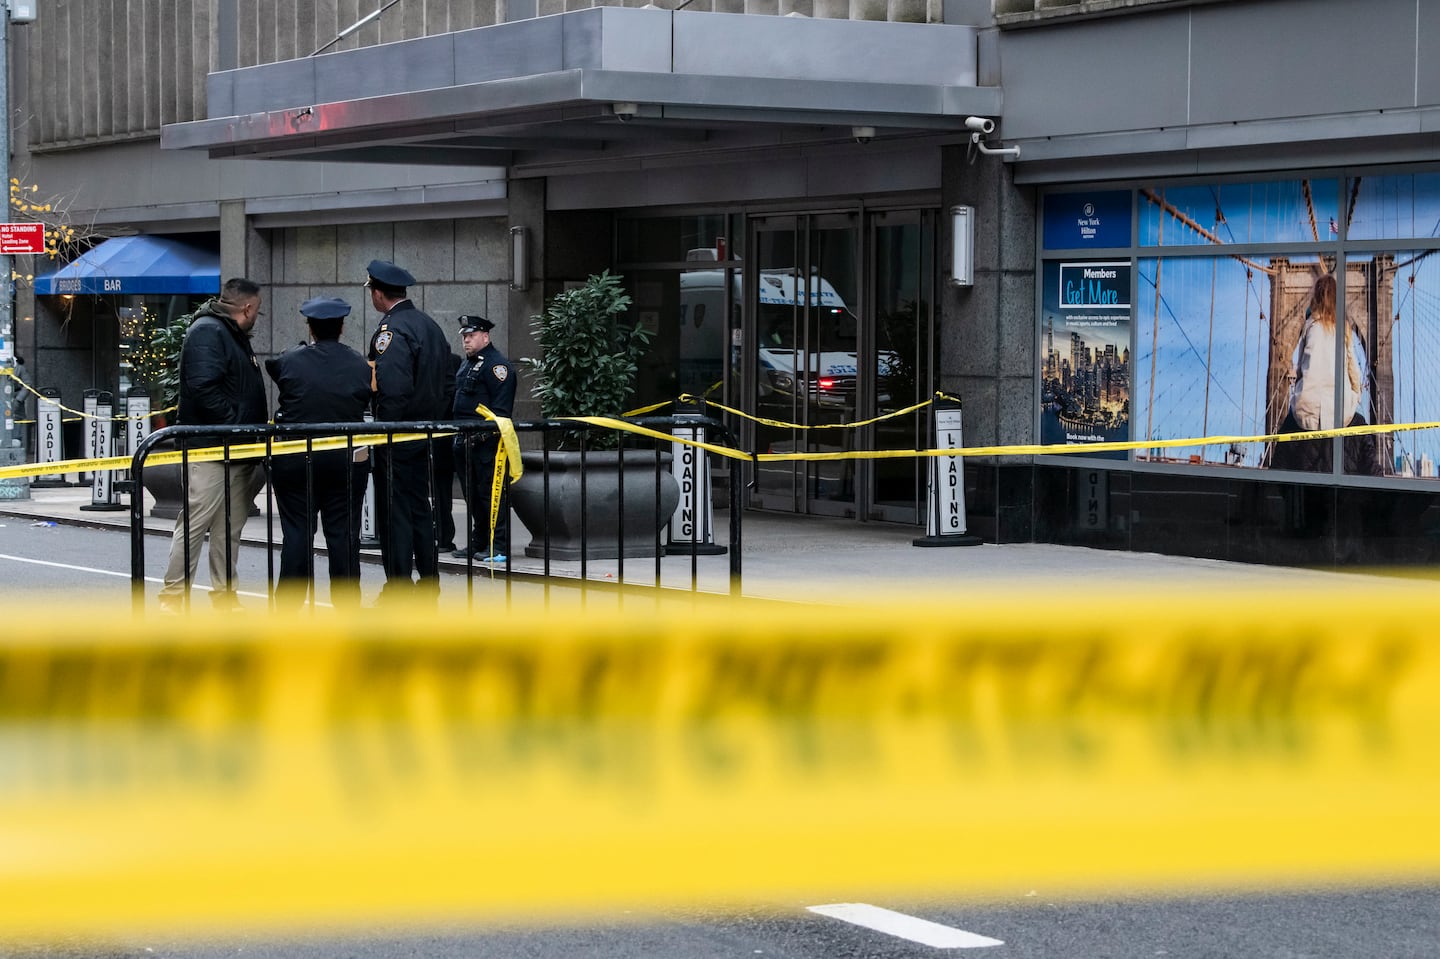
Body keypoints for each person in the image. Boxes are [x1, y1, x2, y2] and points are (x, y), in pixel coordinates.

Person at [157, 278, 268, 612]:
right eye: (257, 311)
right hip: (213, 447)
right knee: (196, 523)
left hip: (232, 448)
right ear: (247, 308)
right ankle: (173, 598)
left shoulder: (227, 334)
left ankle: (224, 596)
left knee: (227, 530)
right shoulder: (210, 331)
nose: (257, 318)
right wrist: (236, 425)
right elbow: (204, 388)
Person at [264, 297, 373, 607]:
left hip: (297, 459)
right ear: (342, 326)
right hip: (344, 462)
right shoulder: (359, 365)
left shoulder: (290, 361)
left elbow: (276, 366)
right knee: (343, 536)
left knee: (297, 533)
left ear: (309, 327)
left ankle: (288, 610)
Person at [365, 259, 451, 602]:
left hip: (398, 435)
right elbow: (447, 382)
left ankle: (398, 582)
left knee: (395, 511)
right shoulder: (429, 326)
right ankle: (429, 577)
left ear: (378, 293)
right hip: (425, 431)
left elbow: (393, 389)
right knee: (420, 507)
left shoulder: (392, 330)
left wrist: (386, 432)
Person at [1271, 272, 1376, 474]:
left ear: (1316, 298)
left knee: (1281, 454)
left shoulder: (1308, 327)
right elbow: (1353, 371)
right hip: (1341, 414)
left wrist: (1301, 395)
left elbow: (1300, 370)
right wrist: (1354, 397)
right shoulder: (1344, 329)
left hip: (1306, 413)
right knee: (1364, 439)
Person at [451, 314, 517, 563]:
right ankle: (480, 541)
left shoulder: (497, 367)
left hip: (487, 444)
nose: (466, 341)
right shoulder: (469, 363)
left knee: (493, 495)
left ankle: (498, 546)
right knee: (474, 497)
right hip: (465, 441)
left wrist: (482, 436)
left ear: (485, 336)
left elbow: (501, 411)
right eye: (464, 336)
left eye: (471, 336)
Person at [431, 346, 463, 553]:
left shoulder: (451, 361)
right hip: (440, 434)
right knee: (440, 489)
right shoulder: (453, 361)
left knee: (440, 489)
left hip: (441, 435)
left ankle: (443, 536)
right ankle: (441, 536)